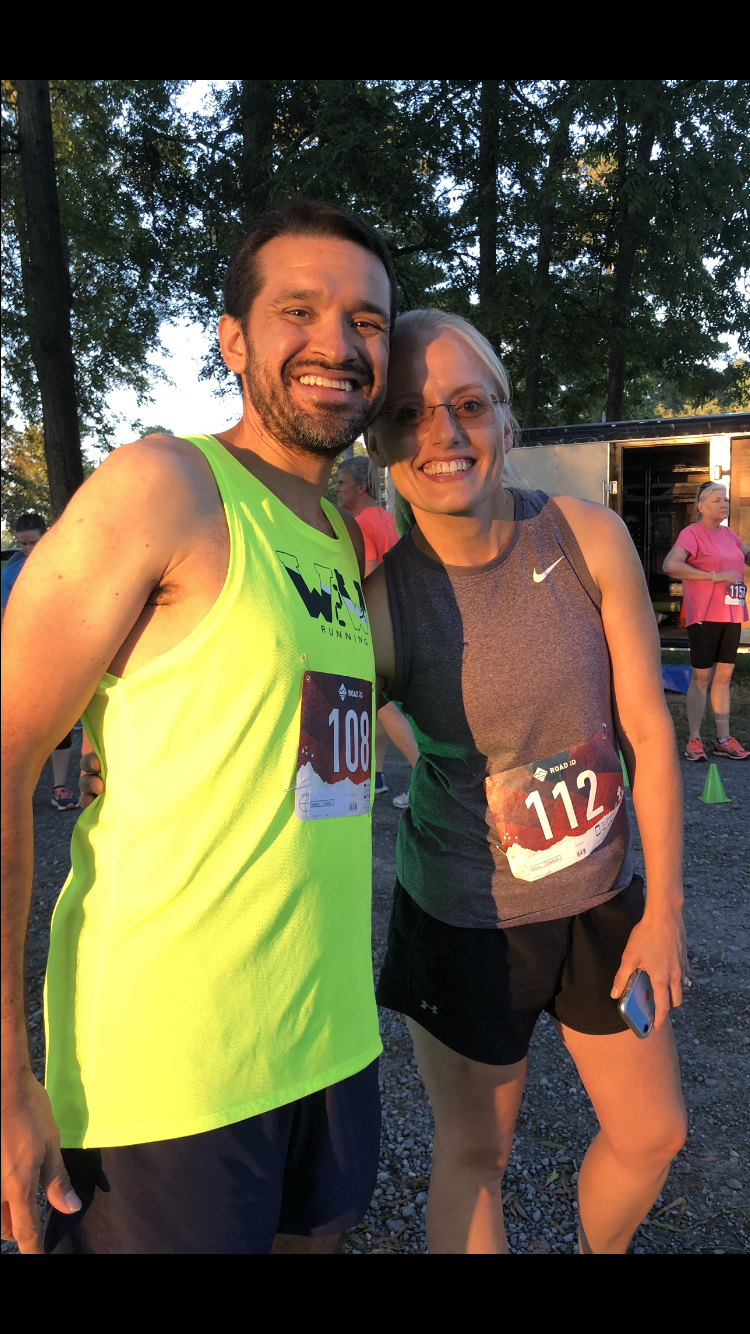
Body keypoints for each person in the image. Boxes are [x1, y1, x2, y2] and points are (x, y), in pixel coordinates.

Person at [1, 199, 396, 1254]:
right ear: (233, 340)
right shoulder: (163, 486)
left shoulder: (337, 541)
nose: (338, 343)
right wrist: (3, 1074)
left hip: (332, 1044)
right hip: (168, 1080)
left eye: (367, 321)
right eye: (299, 310)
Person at [362, 308, 688, 1254]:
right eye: (412, 414)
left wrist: (662, 914)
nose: (445, 436)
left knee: (654, 1131)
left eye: (469, 405)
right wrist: (420, 749)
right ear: (381, 441)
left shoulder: (587, 537)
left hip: (605, 904)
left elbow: (649, 735)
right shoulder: (385, 603)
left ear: (507, 420)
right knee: (477, 1156)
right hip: (465, 922)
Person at [334, 455, 418, 807]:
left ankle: (425, 773)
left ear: (361, 487)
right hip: (401, 616)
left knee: (380, 705)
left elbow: (366, 576)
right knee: (376, 701)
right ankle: (377, 776)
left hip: (373, 623)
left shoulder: (359, 522)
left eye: (341, 483)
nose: (336, 489)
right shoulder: (385, 517)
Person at [663, 482, 749, 762]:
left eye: (725, 499)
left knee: (724, 677)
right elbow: (670, 565)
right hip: (704, 615)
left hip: (731, 613)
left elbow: (746, 555)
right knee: (702, 678)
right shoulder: (692, 534)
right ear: (701, 507)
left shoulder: (728, 534)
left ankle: (723, 740)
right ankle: (694, 739)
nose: (724, 504)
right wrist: (715, 577)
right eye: (717, 500)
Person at [1, 513, 78, 812]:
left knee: (59, 724)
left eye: (33, 542)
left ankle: (60, 787)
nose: (27, 549)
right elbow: (7, 619)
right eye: (22, 544)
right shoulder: (10, 575)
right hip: (23, 658)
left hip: (58, 657)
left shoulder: (65, 570)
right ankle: (19, 791)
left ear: (45, 537)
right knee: (21, 727)